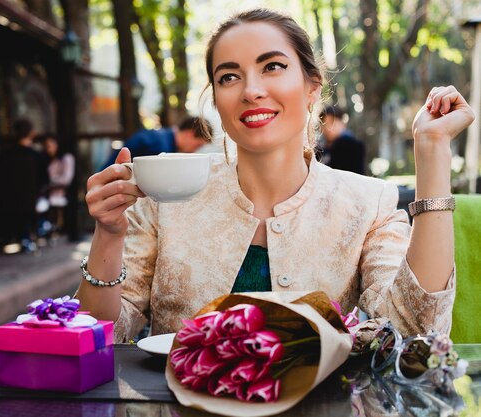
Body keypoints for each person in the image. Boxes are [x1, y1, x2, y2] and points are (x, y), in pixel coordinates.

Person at [77, 8, 474, 342]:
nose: (251, 90)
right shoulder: (163, 200)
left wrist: (433, 151)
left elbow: (412, 333)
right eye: (229, 76)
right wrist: (108, 234)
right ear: (216, 99)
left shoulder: (370, 204)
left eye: (272, 67)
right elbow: (104, 335)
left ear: (312, 87)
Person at [0, 119, 50, 252]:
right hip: (29, 205)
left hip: (5, 205)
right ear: (32, 133)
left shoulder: (4, 155)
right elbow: (44, 181)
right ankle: (28, 236)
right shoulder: (38, 156)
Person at [100, 116, 213, 170]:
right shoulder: (160, 148)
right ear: (190, 133)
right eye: (198, 145)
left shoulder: (162, 138)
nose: (195, 150)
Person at [36, 133, 75, 234]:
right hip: (48, 197)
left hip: (61, 195)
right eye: (46, 146)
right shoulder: (48, 160)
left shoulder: (66, 158)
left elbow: (66, 179)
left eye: (50, 145)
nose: (48, 149)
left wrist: (50, 184)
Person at [317, 105, 366, 174]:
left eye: (332, 122)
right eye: (324, 124)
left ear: (342, 122)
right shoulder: (319, 149)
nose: (328, 127)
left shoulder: (353, 146)